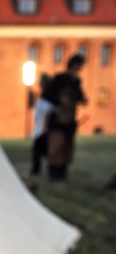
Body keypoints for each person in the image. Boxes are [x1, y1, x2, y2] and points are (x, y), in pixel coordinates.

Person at [43, 53, 88, 181]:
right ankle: (53, 173)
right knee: (56, 145)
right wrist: (60, 100)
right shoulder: (59, 78)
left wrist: (82, 98)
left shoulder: (76, 81)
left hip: (69, 118)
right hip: (57, 117)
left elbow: (78, 95)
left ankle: (62, 173)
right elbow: (47, 95)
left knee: (67, 146)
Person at [30, 73, 53, 177]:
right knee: (41, 152)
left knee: (39, 152)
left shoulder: (45, 99)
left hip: (41, 130)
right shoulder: (43, 98)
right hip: (40, 129)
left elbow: (45, 114)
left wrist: (43, 129)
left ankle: (38, 171)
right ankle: (38, 170)